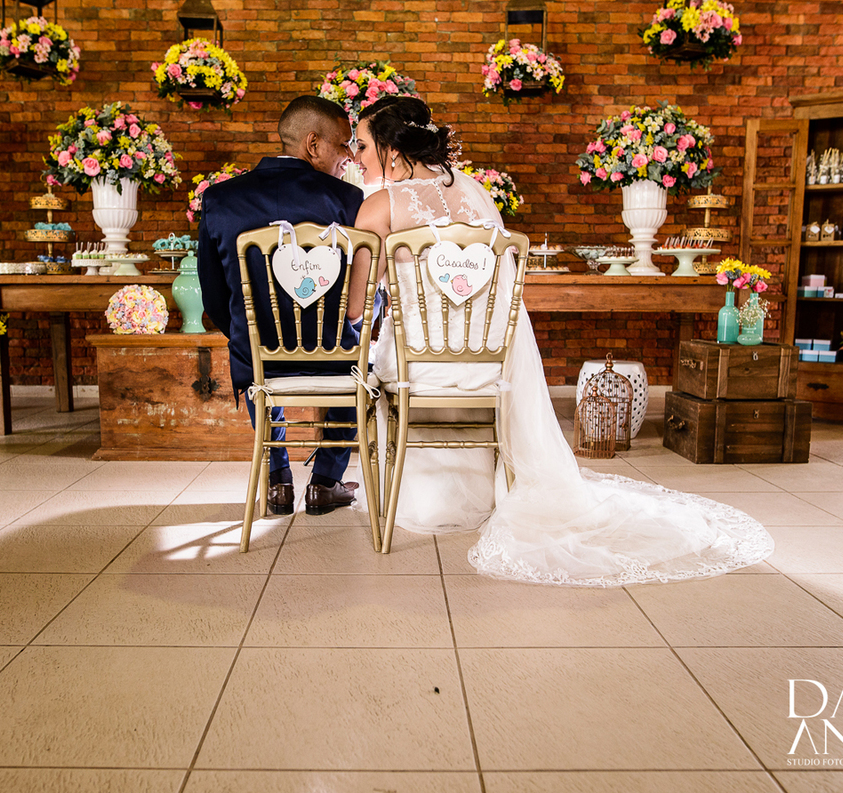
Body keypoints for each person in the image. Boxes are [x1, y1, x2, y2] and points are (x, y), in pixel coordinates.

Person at [348, 96, 773, 587]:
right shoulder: (475, 194)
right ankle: (484, 492)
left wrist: (371, 264)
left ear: (392, 150)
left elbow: (357, 307)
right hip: (489, 367)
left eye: (362, 145)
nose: (357, 156)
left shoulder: (380, 205)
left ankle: (415, 494)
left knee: (376, 369)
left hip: (421, 371)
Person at [197, 95, 365, 516]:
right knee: (356, 350)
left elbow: (212, 293)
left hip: (256, 355)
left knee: (253, 354)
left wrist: (246, 332)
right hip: (333, 355)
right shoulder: (348, 199)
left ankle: (278, 482)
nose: (347, 156)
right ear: (313, 144)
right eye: (342, 145)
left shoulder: (219, 199)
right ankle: (326, 482)